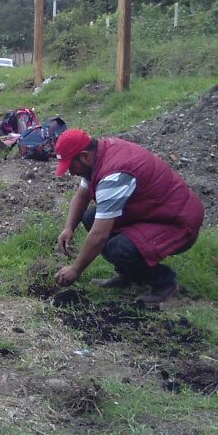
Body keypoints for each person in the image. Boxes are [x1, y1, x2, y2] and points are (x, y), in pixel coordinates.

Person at [52, 129, 205, 305]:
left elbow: (99, 235)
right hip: (151, 211)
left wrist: (75, 269)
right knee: (90, 217)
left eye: (71, 166)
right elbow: (82, 196)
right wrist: (68, 227)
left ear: (85, 156)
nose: (71, 173)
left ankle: (164, 284)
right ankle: (128, 274)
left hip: (177, 221)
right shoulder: (98, 155)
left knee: (120, 247)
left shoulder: (114, 174)